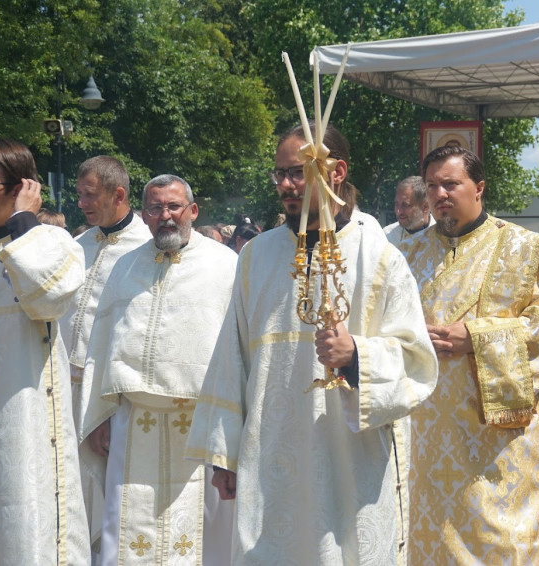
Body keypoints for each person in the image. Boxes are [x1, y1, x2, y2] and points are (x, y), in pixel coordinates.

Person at [186, 124, 438, 565]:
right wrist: (224, 452)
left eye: (298, 172)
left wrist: (357, 354)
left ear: (337, 171)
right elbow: (231, 356)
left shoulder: (379, 257)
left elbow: (417, 361)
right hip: (271, 454)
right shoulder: (256, 256)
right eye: (280, 173)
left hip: (349, 456)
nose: (286, 185)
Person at [400, 145, 539, 564]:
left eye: (451, 184)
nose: (440, 194)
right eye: (432, 186)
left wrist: (476, 337)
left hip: (497, 440)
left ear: (479, 187)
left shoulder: (523, 247)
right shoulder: (406, 255)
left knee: (500, 542)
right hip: (425, 433)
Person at [80, 174, 237, 564]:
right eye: (154, 208)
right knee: (129, 523)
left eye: (173, 206)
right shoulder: (125, 267)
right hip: (133, 421)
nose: (165, 216)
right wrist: (100, 415)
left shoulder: (225, 265)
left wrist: (231, 429)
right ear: (144, 214)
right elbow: (101, 345)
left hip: (200, 421)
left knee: (206, 533)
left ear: (193, 211)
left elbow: (237, 349)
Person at [0, 139, 89, 563]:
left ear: (19, 189)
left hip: (23, 422)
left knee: (22, 532)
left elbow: (48, 298)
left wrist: (23, 223)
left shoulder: (52, 242)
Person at [60, 155, 153, 553]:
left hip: (107, 396)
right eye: (79, 194)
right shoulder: (76, 246)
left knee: (105, 498)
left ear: (118, 195)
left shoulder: (145, 250)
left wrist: (109, 410)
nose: (81, 203)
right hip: (63, 389)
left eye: (90, 195)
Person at [383, 175, 435, 244]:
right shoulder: (388, 236)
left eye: (405, 205)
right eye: (396, 204)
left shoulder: (442, 235)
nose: (398, 211)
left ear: (425, 207)